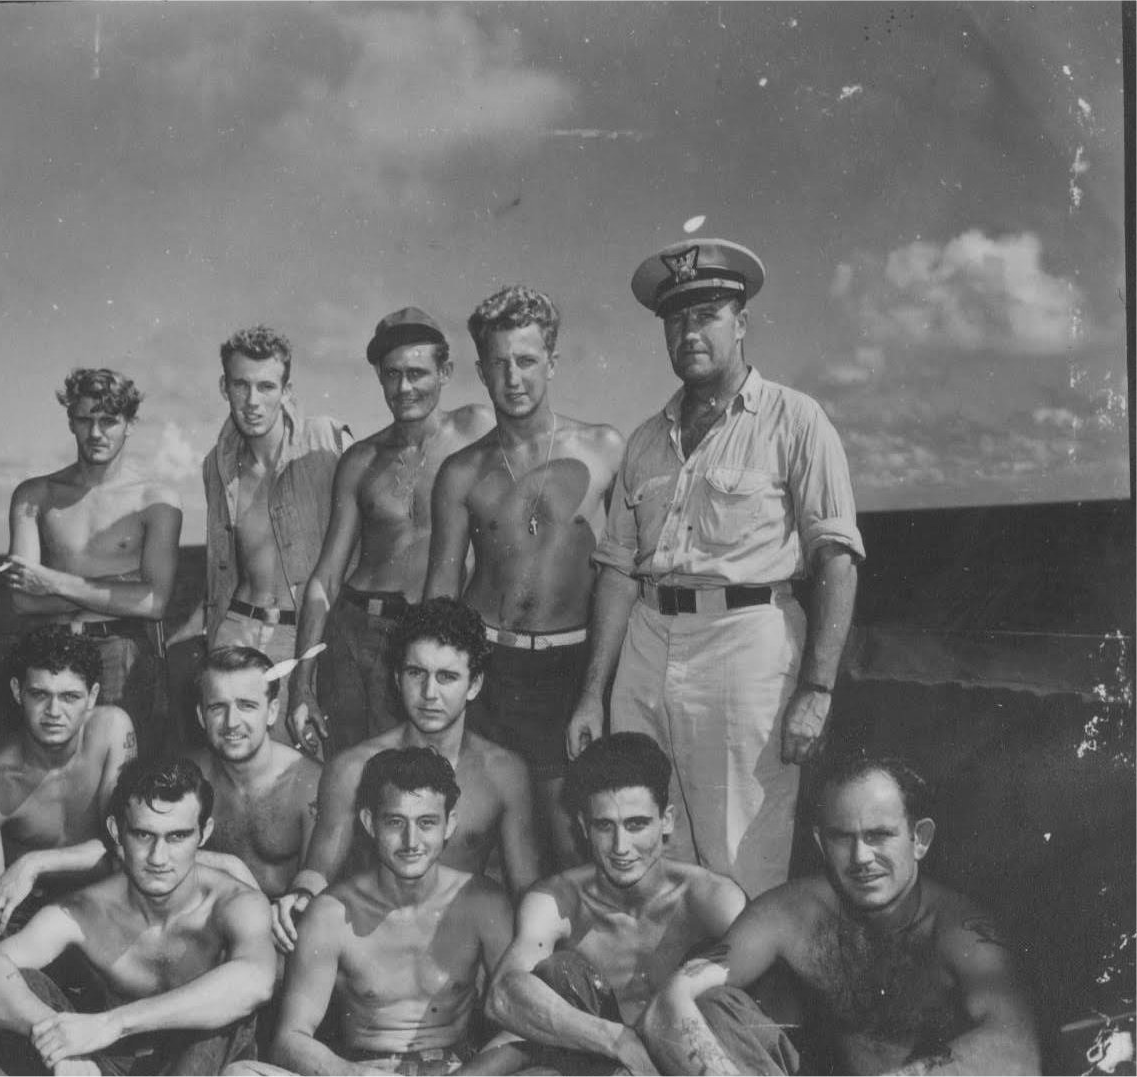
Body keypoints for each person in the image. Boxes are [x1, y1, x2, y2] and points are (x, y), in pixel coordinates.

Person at [567, 238, 866, 897]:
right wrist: (592, 692)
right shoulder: (645, 439)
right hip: (646, 645)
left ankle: (743, 966)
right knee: (646, 844)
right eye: (675, 319)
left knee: (741, 856)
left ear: (741, 322)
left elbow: (836, 559)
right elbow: (617, 571)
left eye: (706, 315)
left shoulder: (795, 420)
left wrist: (816, 689)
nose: (689, 332)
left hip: (745, 645)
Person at [644, 754, 1041, 1076]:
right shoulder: (791, 912)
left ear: (919, 839)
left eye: (879, 835)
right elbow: (667, 1003)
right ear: (821, 842)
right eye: (842, 837)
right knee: (714, 1006)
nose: (861, 857)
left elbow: (1017, 1051)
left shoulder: (961, 930)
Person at [424, 285, 624, 869]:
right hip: (490, 671)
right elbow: (440, 592)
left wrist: (596, 689)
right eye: (500, 363)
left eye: (527, 360)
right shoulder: (461, 471)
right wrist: (438, 687)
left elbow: (624, 574)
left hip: (571, 668)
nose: (514, 378)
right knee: (484, 843)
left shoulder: (605, 449)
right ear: (481, 372)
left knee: (574, 845)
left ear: (552, 363)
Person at [0, 757, 277, 1076]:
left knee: (226, 1008)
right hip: (108, 1064)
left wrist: (114, 1024)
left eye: (177, 836)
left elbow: (255, 981)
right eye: (143, 835)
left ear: (204, 833)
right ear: (116, 831)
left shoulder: (234, 903)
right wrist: (56, 1040)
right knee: (22, 983)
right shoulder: (85, 911)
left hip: (199, 1063)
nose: (158, 857)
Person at [273, 598, 539, 954]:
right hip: (374, 945)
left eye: (447, 677)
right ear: (397, 679)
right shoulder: (353, 767)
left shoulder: (504, 773)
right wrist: (301, 896)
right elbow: (319, 869)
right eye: (416, 673)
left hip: (457, 949)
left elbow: (526, 889)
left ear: (474, 684)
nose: (429, 693)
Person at [230, 747, 518, 1076]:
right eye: (395, 822)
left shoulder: (483, 902)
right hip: (362, 1069)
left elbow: (521, 1023)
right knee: (241, 1074)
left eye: (426, 823)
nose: (411, 841)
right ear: (370, 823)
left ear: (449, 824)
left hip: (458, 1071)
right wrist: (354, 1074)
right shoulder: (331, 913)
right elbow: (289, 1040)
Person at [288, 307, 493, 756]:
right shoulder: (360, 460)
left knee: (421, 770)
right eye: (392, 374)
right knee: (349, 768)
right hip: (352, 632)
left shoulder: (477, 430)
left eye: (417, 373)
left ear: (445, 373)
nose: (404, 388)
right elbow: (326, 578)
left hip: (429, 634)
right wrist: (300, 683)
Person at [486, 732, 747, 1075]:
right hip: (601, 1060)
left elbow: (762, 1014)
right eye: (605, 826)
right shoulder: (557, 900)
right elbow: (503, 995)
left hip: (696, 1063)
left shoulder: (711, 898)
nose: (621, 847)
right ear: (584, 827)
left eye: (636, 825)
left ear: (666, 821)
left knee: (718, 1001)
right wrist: (619, 1042)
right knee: (560, 974)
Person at [169, 326, 350, 742]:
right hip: (235, 631)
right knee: (231, 762)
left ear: (287, 390)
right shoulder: (216, 465)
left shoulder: (328, 441)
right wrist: (189, 632)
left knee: (306, 764)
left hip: (306, 637)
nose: (252, 401)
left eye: (266, 386)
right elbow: (225, 566)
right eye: (241, 385)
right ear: (224, 387)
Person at [1, 368, 182, 755]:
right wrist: (121, 589)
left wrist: (53, 581)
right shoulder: (35, 496)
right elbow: (23, 600)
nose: (96, 433)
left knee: (123, 768)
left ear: (129, 424)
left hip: (121, 652)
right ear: (71, 421)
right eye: (85, 419)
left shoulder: (155, 501)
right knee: (53, 772)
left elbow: (154, 603)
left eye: (109, 421)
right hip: (51, 651)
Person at [0, 626, 136, 944]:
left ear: (93, 696)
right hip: (29, 920)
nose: (54, 712)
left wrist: (33, 863)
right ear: (18, 692)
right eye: (40, 695)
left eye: (70, 697)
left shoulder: (112, 730)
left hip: (111, 903)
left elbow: (129, 846)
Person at [186, 645, 322, 899]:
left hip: (287, 919)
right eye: (217, 707)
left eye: (246, 706)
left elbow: (318, 888)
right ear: (201, 716)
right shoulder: (187, 777)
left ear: (272, 712)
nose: (232, 722)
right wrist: (229, 865)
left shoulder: (309, 784)